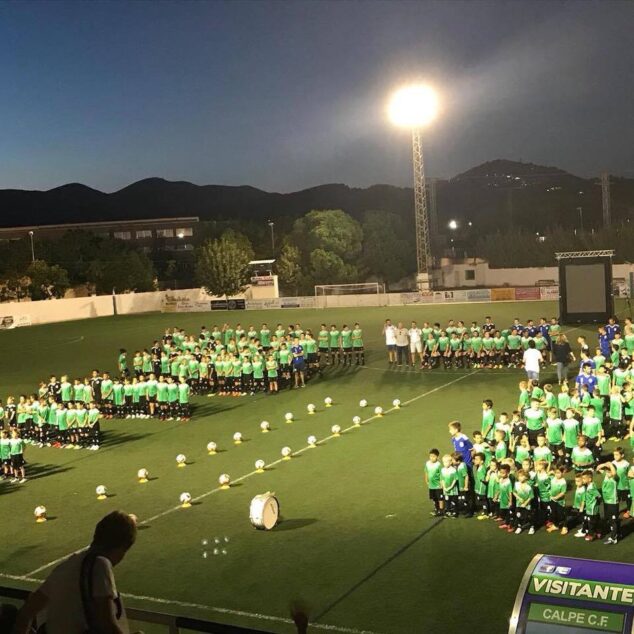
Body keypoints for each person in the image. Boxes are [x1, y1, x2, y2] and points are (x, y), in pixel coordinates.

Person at [14, 511, 139, 634]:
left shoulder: (67, 565)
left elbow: (26, 613)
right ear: (122, 547)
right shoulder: (100, 565)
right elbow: (106, 623)